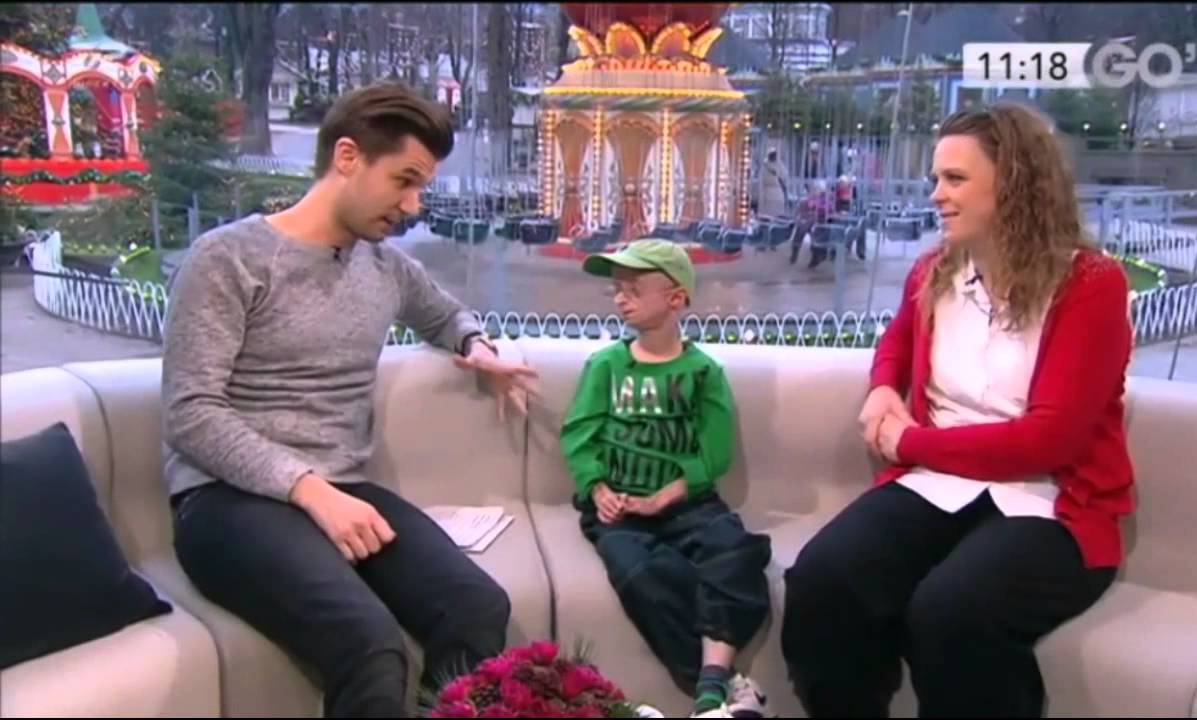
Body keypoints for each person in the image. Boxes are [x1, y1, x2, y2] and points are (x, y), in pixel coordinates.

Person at [161, 81, 540, 718]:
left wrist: (476, 346)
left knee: (477, 606)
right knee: (369, 645)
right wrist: (310, 490)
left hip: (341, 488)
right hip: (224, 502)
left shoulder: (384, 267)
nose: (413, 205)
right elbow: (190, 412)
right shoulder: (229, 258)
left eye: (421, 187)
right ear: (347, 157)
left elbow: (444, 314)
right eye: (404, 181)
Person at [781, 102, 1137, 718]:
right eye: (936, 178)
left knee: (951, 612)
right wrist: (883, 388)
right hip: (937, 486)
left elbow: (1048, 441)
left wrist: (908, 442)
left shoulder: (1090, 285)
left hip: (1048, 501)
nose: (936, 194)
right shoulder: (934, 271)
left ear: (1015, 182)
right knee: (822, 581)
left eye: (954, 178)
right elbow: (897, 343)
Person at [559, 240, 773, 719]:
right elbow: (579, 434)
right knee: (640, 574)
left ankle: (709, 692)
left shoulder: (703, 372)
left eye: (633, 289)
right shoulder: (605, 366)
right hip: (618, 510)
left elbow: (714, 451)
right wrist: (598, 488)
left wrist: (667, 496)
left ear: (676, 299)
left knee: (734, 553)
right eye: (617, 289)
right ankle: (723, 687)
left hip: (690, 505)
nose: (620, 298)